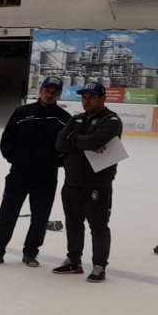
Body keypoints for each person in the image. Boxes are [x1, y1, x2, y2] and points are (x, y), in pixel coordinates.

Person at [0, 76, 71, 267]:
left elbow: (69, 148)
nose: (50, 94)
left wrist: (55, 162)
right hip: (19, 174)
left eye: (54, 92)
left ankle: (30, 253)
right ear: (40, 90)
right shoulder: (22, 112)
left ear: (59, 94)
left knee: (40, 217)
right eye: (47, 90)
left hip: (46, 177)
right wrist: (13, 157)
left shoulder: (63, 119)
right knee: (7, 213)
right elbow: (7, 139)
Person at [53, 81, 123, 283]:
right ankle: (74, 261)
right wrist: (85, 142)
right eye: (84, 97)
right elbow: (59, 143)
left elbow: (95, 142)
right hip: (72, 181)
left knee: (98, 226)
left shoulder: (111, 121)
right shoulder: (77, 118)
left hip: (97, 183)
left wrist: (75, 139)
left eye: (92, 97)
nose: (87, 101)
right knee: (73, 223)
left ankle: (99, 265)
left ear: (103, 98)